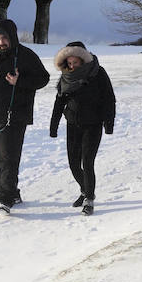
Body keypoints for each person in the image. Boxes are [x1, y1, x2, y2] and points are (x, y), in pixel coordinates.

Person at [0, 18, 50, 214]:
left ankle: (5, 199)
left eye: (4, 38)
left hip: (15, 115)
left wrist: (19, 81)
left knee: (8, 157)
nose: (1, 42)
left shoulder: (26, 56)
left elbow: (43, 78)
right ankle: (12, 192)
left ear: (12, 37)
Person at [48, 41, 116, 215]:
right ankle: (85, 190)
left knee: (87, 162)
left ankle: (89, 199)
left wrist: (108, 123)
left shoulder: (98, 73)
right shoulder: (66, 76)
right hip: (73, 124)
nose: (72, 66)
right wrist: (53, 125)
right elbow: (59, 101)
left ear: (83, 59)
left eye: (75, 62)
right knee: (73, 164)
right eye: (69, 63)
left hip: (93, 124)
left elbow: (109, 98)